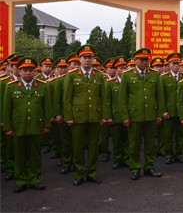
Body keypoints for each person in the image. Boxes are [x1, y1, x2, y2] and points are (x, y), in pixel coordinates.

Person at [63, 45, 111, 186]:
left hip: (95, 117)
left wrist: (104, 116)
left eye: (90, 57)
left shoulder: (99, 75)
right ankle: (79, 173)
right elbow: (67, 98)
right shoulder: (72, 76)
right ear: (80, 59)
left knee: (93, 147)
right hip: (78, 117)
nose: (88, 60)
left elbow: (103, 98)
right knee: (78, 147)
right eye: (85, 57)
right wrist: (69, 117)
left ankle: (91, 172)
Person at [2, 57, 51, 193]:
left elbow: (46, 107)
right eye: (25, 70)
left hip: (36, 126)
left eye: (30, 70)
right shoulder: (11, 87)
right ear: (19, 71)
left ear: (35, 72)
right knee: (20, 154)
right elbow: (7, 109)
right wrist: (8, 127)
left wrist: (47, 124)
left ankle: (34, 178)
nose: (28, 73)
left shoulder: (42, 86)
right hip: (19, 127)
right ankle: (21, 180)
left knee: (35, 154)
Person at [119, 48, 165, 180]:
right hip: (134, 116)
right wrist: (125, 116)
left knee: (150, 143)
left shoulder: (155, 74)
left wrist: (159, 114)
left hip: (150, 115)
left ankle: (149, 167)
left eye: (146, 59)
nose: (145, 62)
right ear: (135, 60)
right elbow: (123, 99)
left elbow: (159, 97)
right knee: (134, 144)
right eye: (142, 59)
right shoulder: (127, 75)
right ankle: (135, 168)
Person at [160, 52, 183, 164]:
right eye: (173, 63)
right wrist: (163, 110)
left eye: (178, 64)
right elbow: (161, 96)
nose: (176, 66)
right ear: (169, 65)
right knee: (168, 134)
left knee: (180, 135)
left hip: (181, 112)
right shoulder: (164, 78)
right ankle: (169, 154)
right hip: (169, 111)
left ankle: (178, 154)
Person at [105, 56, 129, 169]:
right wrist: (108, 116)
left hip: (127, 116)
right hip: (115, 116)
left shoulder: (130, 82)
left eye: (125, 68)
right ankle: (117, 159)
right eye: (120, 68)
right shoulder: (110, 83)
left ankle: (126, 158)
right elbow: (107, 102)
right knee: (116, 140)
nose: (123, 70)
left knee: (127, 140)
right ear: (116, 70)